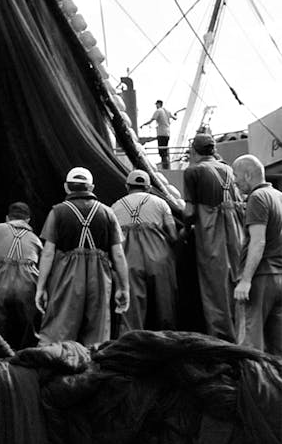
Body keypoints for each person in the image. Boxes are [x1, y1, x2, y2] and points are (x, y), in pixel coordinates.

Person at [36, 167, 129, 346]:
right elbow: (118, 254)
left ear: (66, 187)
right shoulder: (107, 213)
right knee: (98, 330)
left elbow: (48, 253)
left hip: (66, 275)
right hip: (100, 276)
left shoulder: (58, 212)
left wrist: (41, 287)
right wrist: (124, 287)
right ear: (91, 188)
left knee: (59, 328)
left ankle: (58, 367)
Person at [183, 132, 243, 341]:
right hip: (235, 229)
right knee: (237, 279)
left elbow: (190, 212)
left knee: (214, 286)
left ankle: (222, 338)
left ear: (194, 150)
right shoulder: (228, 168)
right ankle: (241, 332)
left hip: (211, 230)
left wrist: (183, 229)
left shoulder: (193, 172)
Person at [111, 169, 178, 332]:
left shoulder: (115, 207)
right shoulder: (161, 203)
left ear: (127, 186)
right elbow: (173, 234)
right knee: (164, 307)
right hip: (159, 259)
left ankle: (133, 345)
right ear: (148, 187)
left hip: (128, 262)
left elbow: (111, 241)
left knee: (132, 311)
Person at [232, 154, 282, 356]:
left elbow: (258, 241)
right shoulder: (279, 196)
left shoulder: (257, 198)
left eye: (236, 175)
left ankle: (250, 386)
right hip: (279, 278)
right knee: (278, 347)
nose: (234, 181)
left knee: (249, 348)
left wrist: (245, 280)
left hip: (261, 278)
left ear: (247, 174)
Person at [0, 201, 42, 349]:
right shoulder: (36, 240)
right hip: (28, 284)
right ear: (28, 220)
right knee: (27, 334)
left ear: (7, 218)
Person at [141, 101, 176, 170]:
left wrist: (143, 125)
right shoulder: (167, 111)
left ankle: (165, 167)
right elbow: (175, 118)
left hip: (161, 133)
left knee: (162, 151)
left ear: (159, 104)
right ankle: (166, 166)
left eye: (156, 104)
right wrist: (175, 115)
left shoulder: (158, 111)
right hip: (167, 133)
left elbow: (152, 120)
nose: (156, 106)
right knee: (165, 150)